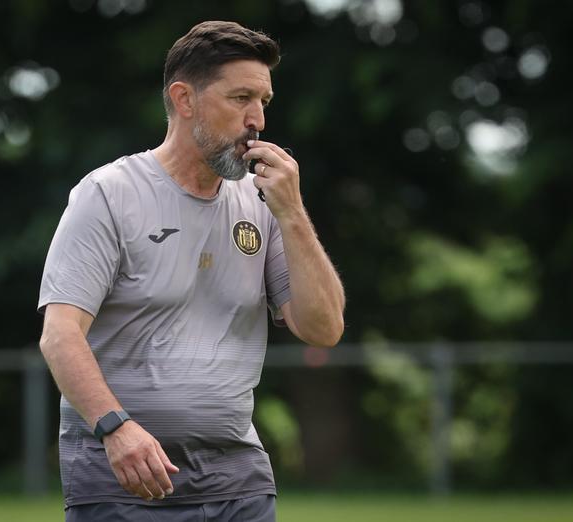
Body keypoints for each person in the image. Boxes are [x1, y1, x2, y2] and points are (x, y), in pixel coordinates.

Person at [38, 20, 345, 521]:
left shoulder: (265, 204)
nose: (258, 120)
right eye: (241, 98)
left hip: (238, 484)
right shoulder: (109, 194)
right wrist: (116, 428)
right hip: (124, 483)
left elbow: (323, 328)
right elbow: (59, 334)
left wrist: (292, 213)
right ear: (184, 99)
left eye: (264, 101)